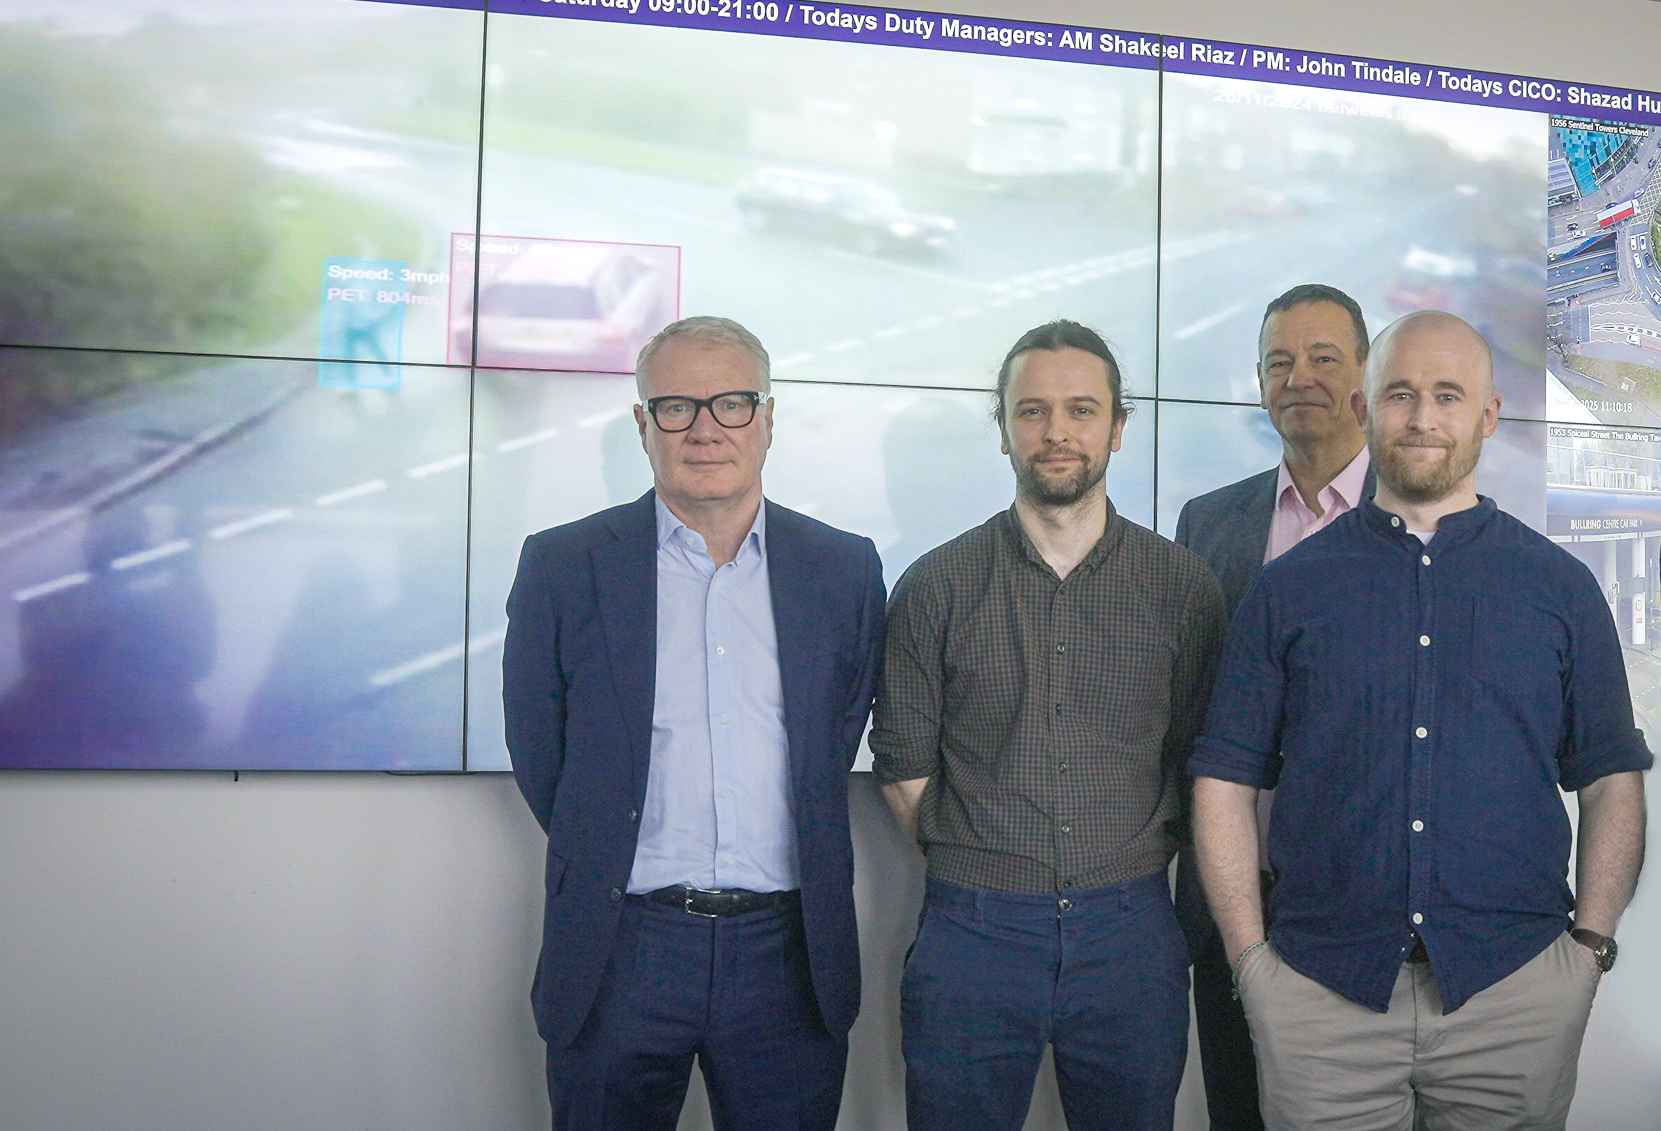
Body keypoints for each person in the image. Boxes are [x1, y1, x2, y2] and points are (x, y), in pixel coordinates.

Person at [1191, 310, 1651, 1131]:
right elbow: (1224, 779)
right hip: (1318, 998)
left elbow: (1611, 778)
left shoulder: (1561, 589)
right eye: (1400, 394)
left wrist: (1589, 949)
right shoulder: (1288, 588)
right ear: (1366, 412)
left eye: (1447, 395)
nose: (1423, 417)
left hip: (1513, 997)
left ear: (1488, 414)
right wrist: (1247, 960)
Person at [502, 315, 886, 1131]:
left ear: (769, 419)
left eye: (732, 403)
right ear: (643, 425)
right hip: (620, 948)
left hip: (788, 953)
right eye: (676, 406)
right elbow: (543, 757)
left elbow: (837, 736)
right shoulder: (563, 565)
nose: (705, 428)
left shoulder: (843, 570)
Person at [871, 320, 1227, 1131]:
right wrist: (985, 857)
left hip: (1131, 930)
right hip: (972, 929)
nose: (1056, 432)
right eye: (1032, 411)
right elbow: (901, 760)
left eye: (1080, 410)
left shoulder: (1182, 587)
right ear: (1002, 428)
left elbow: (1194, 753)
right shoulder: (936, 584)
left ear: (1118, 426)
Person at [1171, 283, 1374, 1130]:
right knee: (1238, 1111)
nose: (1300, 377)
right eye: (1279, 361)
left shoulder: (1422, 517)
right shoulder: (1208, 521)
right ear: (1258, 383)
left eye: (1324, 357)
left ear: (1365, 375)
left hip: (1369, 898)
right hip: (1233, 898)